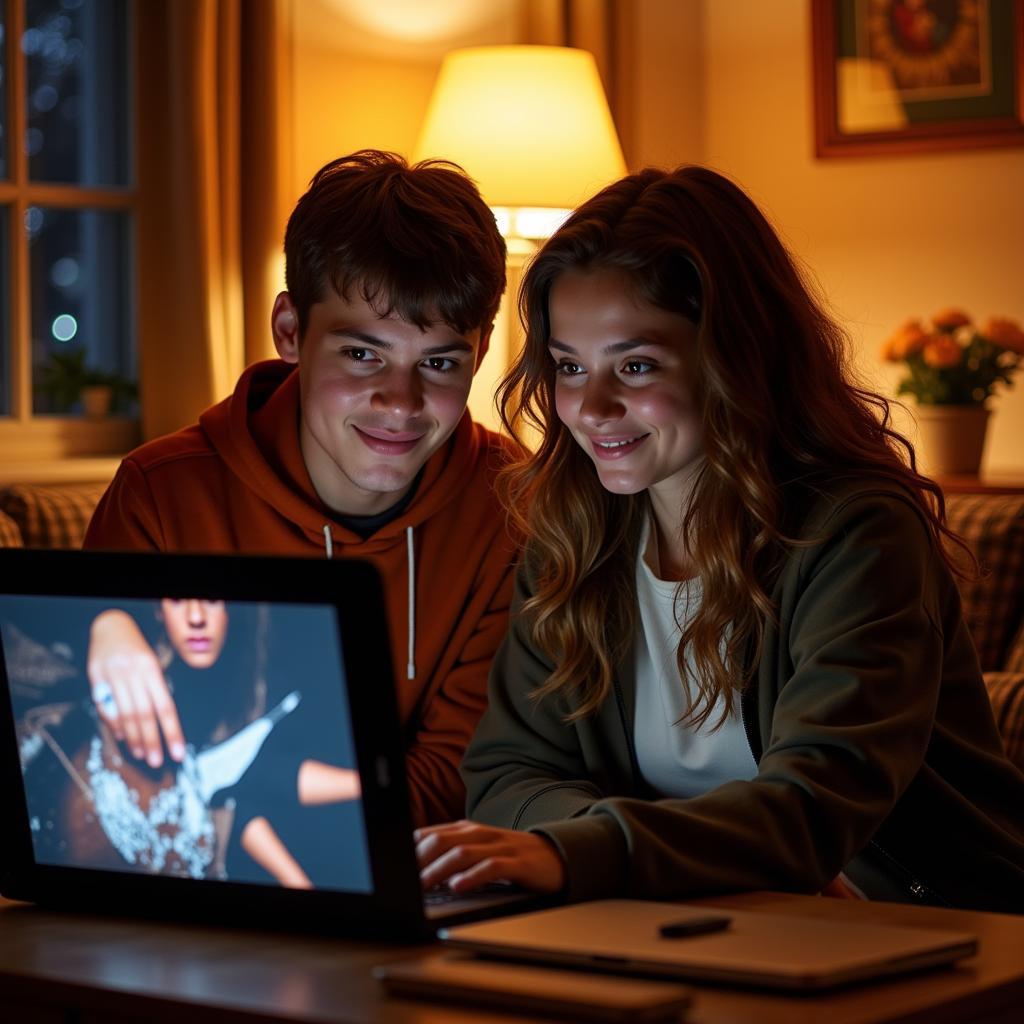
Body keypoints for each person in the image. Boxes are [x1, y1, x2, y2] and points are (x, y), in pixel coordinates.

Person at [415, 165, 1024, 912]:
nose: (592, 406)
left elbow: (811, 809)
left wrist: (585, 850)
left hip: (924, 927)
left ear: (735, 357)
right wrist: (620, 854)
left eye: (635, 365)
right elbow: (507, 775)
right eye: (570, 365)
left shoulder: (859, 533)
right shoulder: (571, 532)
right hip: (689, 918)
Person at [84, 150, 518, 826]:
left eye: (438, 362)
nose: (400, 403)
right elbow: (114, 765)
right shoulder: (160, 496)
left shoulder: (514, 508)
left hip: (413, 877)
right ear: (290, 331)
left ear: (482, 350)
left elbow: (460, 776)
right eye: (362, 353)